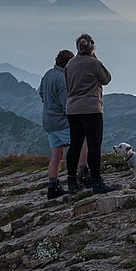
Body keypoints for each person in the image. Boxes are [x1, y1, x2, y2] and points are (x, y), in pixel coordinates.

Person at [65, 33, 119, 194]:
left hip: (72, 109)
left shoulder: (70, 64)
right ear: (92, 47)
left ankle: (71, 181)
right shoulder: (94, 63)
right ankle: (97, 182)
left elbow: (67, 84)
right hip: (91, 109)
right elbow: (107, 79)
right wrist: (94, 57)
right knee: (94, 145)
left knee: (75, 144)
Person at [38, 49, 89, 198]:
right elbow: (66, 104)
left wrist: (49, 104)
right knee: (82, 141)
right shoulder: (62, 79)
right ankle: (83, 174)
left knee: (56, 155)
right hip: (62, 122)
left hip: (49, 122)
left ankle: (52, 186)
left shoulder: (48, 74)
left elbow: (41, 93)